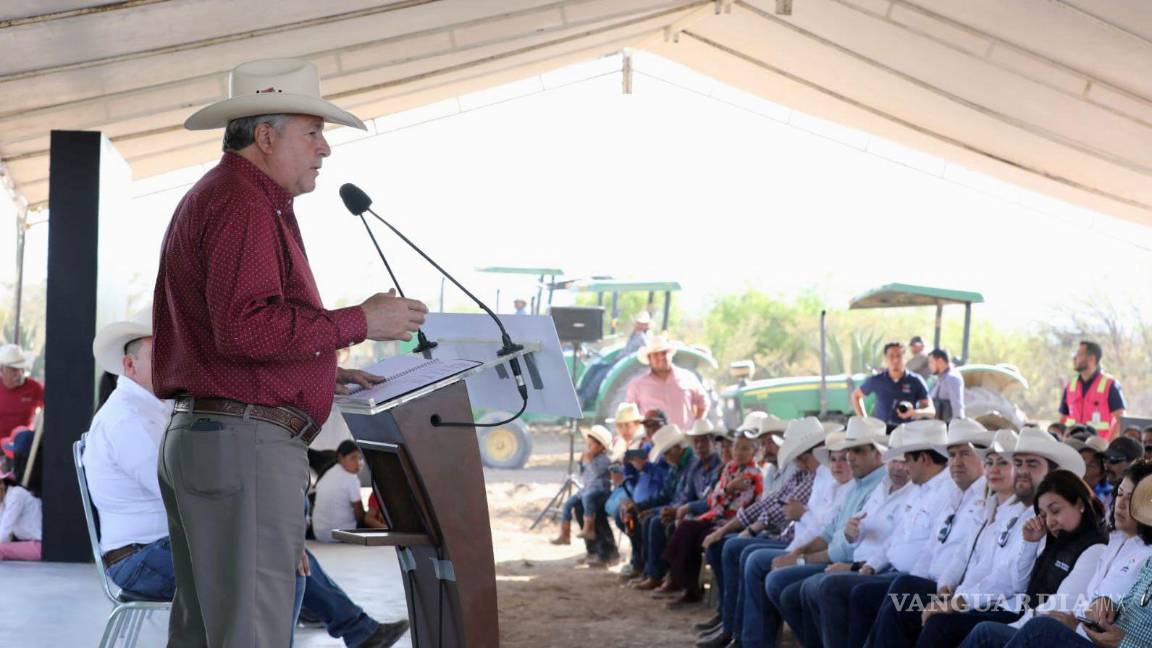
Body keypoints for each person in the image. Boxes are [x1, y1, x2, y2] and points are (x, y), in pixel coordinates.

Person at [153, 58, 428, 646]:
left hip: (216, 434)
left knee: (209, 629)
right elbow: (247, 330)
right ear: (267, 135)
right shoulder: (242, 203)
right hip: (244, 441)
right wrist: (361, 320)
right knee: (249, 629)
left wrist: (322, 367)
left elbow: (234, 333)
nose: (325, 149)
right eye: (314, 132)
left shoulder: (227, 197)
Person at [85, 311, 409, 648]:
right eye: (160, 354)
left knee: (282, 548)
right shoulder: (128, 421)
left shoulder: (155, 409)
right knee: (280, 555)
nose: (174, 362)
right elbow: (184, 492)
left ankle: (353, 628)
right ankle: (351, 627)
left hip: (165, 545)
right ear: (129, 365)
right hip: (141, 559)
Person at [883, 427, 1088, 647]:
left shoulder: (1048, 520)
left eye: (1032, 464)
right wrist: (951, 588)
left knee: (937, 619)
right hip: (984, 598)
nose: (1022, 471)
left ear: (1052, 472)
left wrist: (960, 601)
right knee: (903, 595)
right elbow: (971, 559)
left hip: (1008, 607)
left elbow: (1010, 582)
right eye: (1018, 464)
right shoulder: (1007, 510)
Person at [802, 419, 959, 648]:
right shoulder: (918, 489)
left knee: (846, 590)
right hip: (893, 572)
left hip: (917, 579)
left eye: (907, 460)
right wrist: (870, 566)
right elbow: (896, 540)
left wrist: (864, 569)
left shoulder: (948, 492)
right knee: (848, 590)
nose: (904, 467)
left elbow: (929, 551)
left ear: (923, 459)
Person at [960, 461, 1152, 647]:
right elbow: (1019, 583)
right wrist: (1029, 545)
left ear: (1079, 504)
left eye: (1055, 511)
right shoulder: (1112, 542)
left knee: (1010, 630)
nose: (1121, 504)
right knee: (981, 627)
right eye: (1120, 494)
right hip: (1055, 623)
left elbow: (1062, 608)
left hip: (1076, 633)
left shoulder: (1100, 547)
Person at [735, 417, 889, 648]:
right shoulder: (858, 484)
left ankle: (756, 641)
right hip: (840, 559)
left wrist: (799, 558)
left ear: (878, 454)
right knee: (774, 575)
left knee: (786, 580)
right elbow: (828, 532)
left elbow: (843, 546)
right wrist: (798, 554)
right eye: (846, 453)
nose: (848, 459)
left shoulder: (875, 486)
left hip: (856, 564)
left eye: (856, 451)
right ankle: (750, 638)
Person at [865, 429, 1025, 647]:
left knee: (931, 615)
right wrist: (946, 584)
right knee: (899, 593)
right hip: (963, 593)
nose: (994, 470)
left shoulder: (1022, 514)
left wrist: (957, 600)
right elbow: (959, 555)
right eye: (989, 462)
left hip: (994, 603)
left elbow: (1003, 579)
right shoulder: (986, 508)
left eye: (1003, 463)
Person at [696, 420, 840, 648]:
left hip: (800, 542)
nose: (838, 464)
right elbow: (773, 505)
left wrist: (795, 551)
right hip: (796, 540)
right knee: (737, 549)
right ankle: (734, 626)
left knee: (748, 556)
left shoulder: (821, 475)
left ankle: (745, 636)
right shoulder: (811, 474)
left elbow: (804, 521)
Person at [660, 433, 763, 607]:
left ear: (755, 452)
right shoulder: (729, 468)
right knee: (686, 527)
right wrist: (729, 488)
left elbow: (748, 506)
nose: (739, 452)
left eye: (745, 448)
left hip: (735, 521)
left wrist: (724, 493)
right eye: (736, 447)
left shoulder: (754, 474)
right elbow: (713, 499)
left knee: (704, 538)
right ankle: (684, 584)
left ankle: (687, 585)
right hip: (717, 515)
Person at [630, 418, 723, 586]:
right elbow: (681, 496)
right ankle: (652, 572)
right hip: (688, 510)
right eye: (697, 442)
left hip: (705, 514)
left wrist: (676, 510)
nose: (700, 446)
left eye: (704, 441)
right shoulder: (693, 466)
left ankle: (667, 577)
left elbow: (705, 501)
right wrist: (650, 508)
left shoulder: (715, 466)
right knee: (649, 519)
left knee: (660, 523)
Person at [625, 336, 708, 430]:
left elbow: (703, 403)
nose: (661, 357)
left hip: (683, 438)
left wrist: (695, 427)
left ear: (670, 355)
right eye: (656, 354)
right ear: (649, 359)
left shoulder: (688, 377)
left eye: (664, 353)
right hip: (655, 440)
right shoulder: (637, 384)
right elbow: (629, 413)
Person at [313, 440, 386, 542]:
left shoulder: (328, 472)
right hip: (339, 534)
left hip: (319, 533)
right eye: (353, 458)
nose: (358, 463)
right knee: (370, 521)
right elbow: (359, 515)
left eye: (360, 458)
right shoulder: (351, 478)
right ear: (340, 458)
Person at [552, 425, 613, 546]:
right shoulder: (589, 458)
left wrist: (590, 461)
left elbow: (597, 473)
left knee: (587, 498)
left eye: (592, 445)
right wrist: (581, 463)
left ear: (601, 446)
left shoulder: (604, 459)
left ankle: (589, 527)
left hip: (599, 489)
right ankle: (565, 533)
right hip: (587, 488)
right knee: (568, 503)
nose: (589, 448)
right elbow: (582, 476)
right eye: (588, 445)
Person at [852, 342, 934, 430]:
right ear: (886, 359)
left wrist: (914, 412)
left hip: (907, 432)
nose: (895, 360)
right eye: (891, 356)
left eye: (899, 356)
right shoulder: (876, 380)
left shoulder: (916, 380)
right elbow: (856, 396)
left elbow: (931, 411)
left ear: (905, 359)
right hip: (881, 432)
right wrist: (865, 421)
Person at [1059, 340, 1126, 438]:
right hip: (1072, 446)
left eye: (1079, 354)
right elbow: (1063, 419)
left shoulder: (1110, 384)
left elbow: (1121, 419)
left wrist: (1109, 446)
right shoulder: (1070, 386)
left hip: (1098, 449)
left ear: (1091, 359)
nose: (1074, 358)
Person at [0, 344, 42, 447]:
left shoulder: (34, 387)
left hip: (21, 446)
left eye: (21, 368)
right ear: (1, 370)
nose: (19, 373)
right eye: (14, 369)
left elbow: (53, 406)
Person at [0, 476, 41, 561]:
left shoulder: (16, 494)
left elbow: (4, 533)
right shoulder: (3, 503)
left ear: (1, 484)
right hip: (27, 544)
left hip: (39, 545)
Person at [1066, 436, 1113, 510]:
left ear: (1102, 474)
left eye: (1092, 465)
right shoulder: (1062, 492)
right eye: (1081, 461)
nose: (1084, 467)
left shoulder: (1108, 500)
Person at [929, 349, 965, 421]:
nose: (930, 365)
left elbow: (957, 405)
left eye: (931, 362)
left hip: (946, 425)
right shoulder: (941, 377)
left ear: (940, 361)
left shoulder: (952, 378)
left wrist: (957, 425)